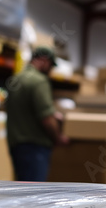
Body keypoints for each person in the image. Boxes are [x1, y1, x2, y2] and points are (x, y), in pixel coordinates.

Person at [6, 47, 69, 181]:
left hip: (16, 145)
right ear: (44, 61)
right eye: (51, 65)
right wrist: (58, 138)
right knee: (35, 195)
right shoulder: (39, 81)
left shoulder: (16, 79)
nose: (50, 70)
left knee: (23, 190)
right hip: (35, 148)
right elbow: (46, 119)